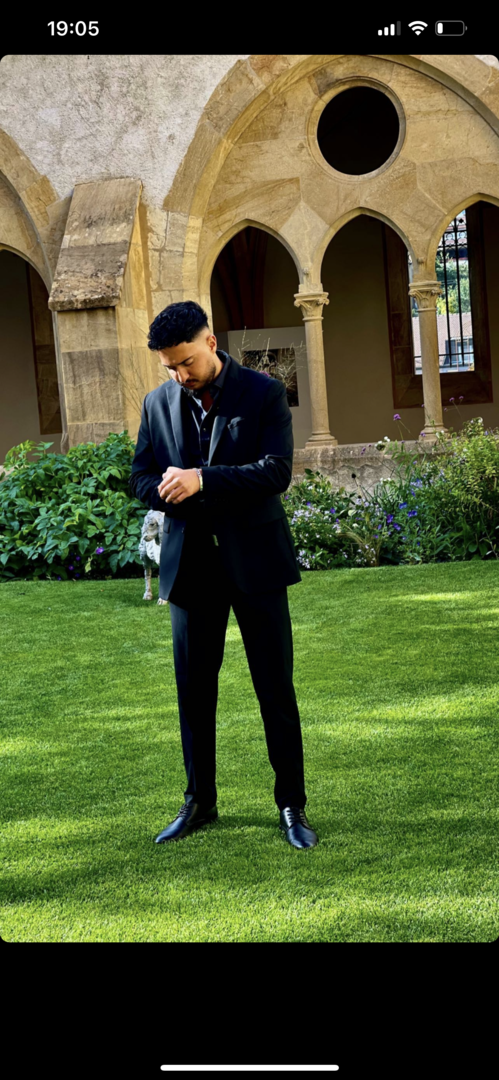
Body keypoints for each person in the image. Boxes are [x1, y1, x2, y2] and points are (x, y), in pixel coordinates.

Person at [130, 301, 318, 850]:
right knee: (193, 693)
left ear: (210, 343)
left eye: (186, 362)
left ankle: (291, 805)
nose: (178, 375)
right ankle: (199, 802)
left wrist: (203, 479)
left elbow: (275, 472)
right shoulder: (156, 403)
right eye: (169, 366)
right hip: (189, 568)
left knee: (274, 688)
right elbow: (140, 476)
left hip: (256, 562)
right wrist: (166, 489)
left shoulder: (263, 393)